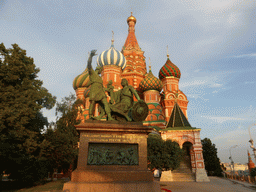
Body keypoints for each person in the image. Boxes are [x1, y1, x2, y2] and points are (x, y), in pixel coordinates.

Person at [85, 50, 114, 121]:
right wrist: (91, 56)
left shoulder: (100, 78)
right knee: (92, 103)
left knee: (105, 104)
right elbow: (89, 64)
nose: (101, 71)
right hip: (94, 91)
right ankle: (90, 116)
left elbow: (102, 87)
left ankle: (109, 116)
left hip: (100, 92)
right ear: (97, 70)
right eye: (100, 70)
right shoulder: (92, 73)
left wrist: (107, 90)